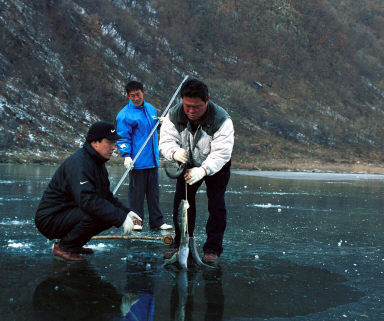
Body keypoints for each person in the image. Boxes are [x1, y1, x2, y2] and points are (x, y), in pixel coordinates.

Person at [35, 121, 142, 262]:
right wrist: (120, 218)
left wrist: (125, 212)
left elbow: (106, 197)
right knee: (98, 213)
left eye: (114, 143)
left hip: (68, 211)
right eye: (109, 142)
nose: (113, 147)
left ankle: (73, 243)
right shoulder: (80, 164)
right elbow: (88, 200)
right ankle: (64, 247)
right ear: (95, 142)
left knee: (107, 213)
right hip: (50, 219)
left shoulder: (97, 163)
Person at [159, 78, 234, 265]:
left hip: (216, 165)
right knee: (181, 203)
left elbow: (222, 152)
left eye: (197, 107)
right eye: (187, 106)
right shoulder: (174, 115)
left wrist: (204, 170)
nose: (191, 111)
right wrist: (174, 152)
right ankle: (181, 244)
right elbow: (166, 141)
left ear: (207, 101)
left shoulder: (222, 120)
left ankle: (212, 249)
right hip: (188, 162)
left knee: (216, 204)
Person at [116, 81, 172, 231]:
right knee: (137, 195)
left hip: (153, 160)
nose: (136, 98)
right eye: (132, 96)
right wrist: (126, 156)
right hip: (137, 161)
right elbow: (122, 138)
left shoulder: (150, 109)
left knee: (153, 194)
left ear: (143, 92)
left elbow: (151, 129)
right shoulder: (125, 115)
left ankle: (157, 222)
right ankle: (136, 222)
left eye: (138, 94)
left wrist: (161, 124)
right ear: (128, 96)